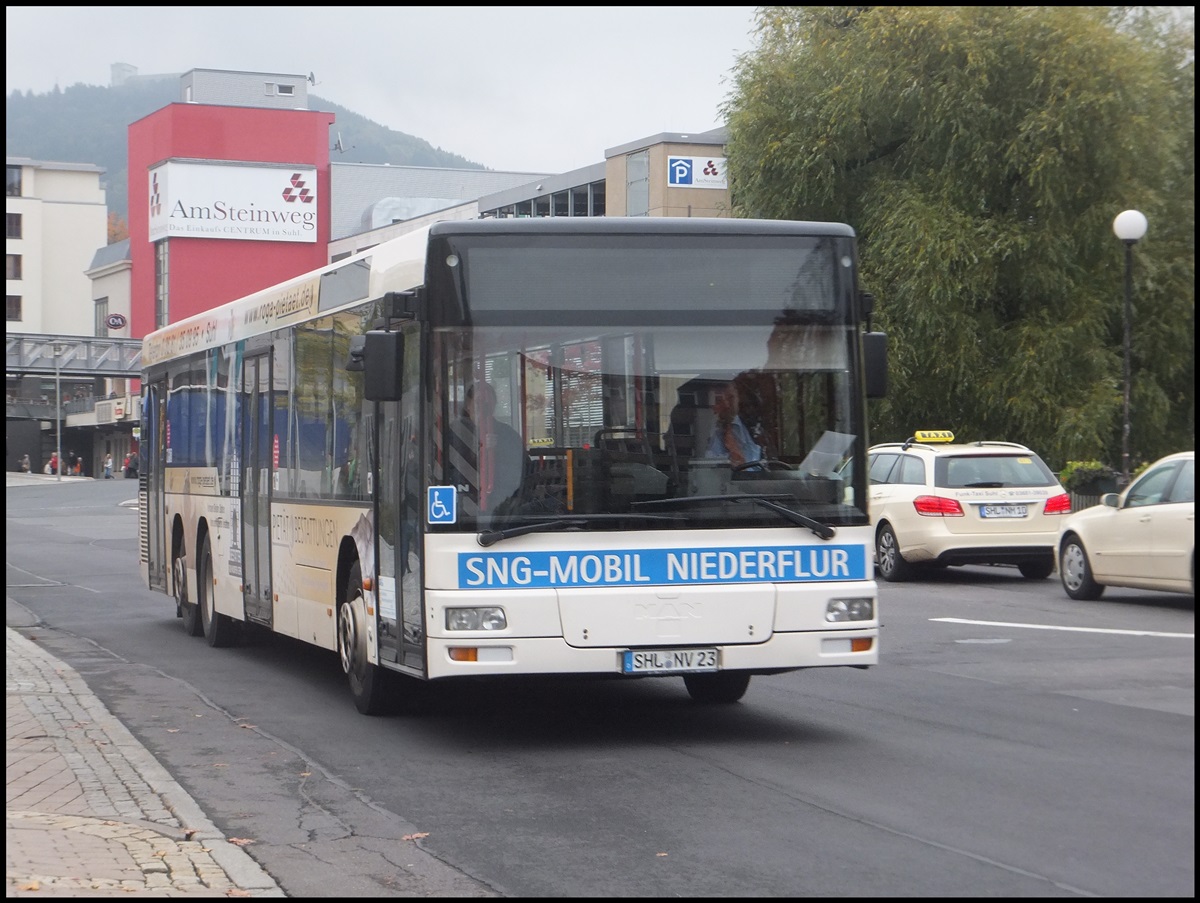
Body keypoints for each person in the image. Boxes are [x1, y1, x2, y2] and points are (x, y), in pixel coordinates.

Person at [447, 381, 528, 513]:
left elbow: (521, 469)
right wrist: (478, 450)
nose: (483, 407)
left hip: (503, 507)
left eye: (488, 403)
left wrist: (499, 449)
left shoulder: (508, 434)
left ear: (494, 405)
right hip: (462, 505)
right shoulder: (455, 433)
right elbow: (450, 468)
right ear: (468, 405)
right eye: (479, 401)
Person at [705, 381, 763, 468]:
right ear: (710, 404)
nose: (727, 405)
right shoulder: (703, 432)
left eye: (731, 398)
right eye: (718, 400)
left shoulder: (755, 428)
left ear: (738, 397)